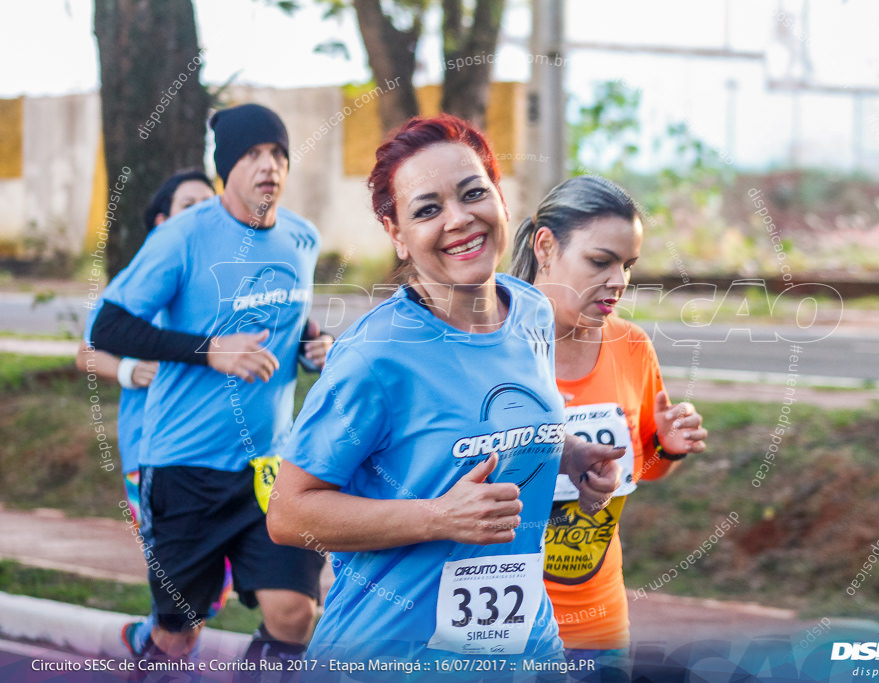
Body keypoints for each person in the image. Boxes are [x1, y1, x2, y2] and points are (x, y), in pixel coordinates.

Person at [267, 114, 624, 679]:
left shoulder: (530, 311)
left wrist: (569, 451)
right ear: (396, 234)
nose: (459, 220)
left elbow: (497, 418)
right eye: (427, 209)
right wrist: (438, 517)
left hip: (523, 650)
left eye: (473, 193)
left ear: (501, 200)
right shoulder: (375, 356)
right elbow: (289, 513)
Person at [86, 104, 329, 673]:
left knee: (294, 615)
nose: (268, 166)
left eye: (277, 154)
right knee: (178, 637)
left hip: (270, 469)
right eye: (251, 155)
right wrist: (209, 349)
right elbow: (109, 327)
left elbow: (289, 325)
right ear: (226, 168)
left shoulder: (302, 239)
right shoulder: (183, 238)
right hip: (184, 468)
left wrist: (317, 347)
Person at [510, 175, 708, 682]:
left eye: (627, 265)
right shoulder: (492, 347)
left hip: (598, 621)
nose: (618, 281)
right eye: (601, 262)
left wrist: (667, 448)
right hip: (499, 624)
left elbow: (638, 469)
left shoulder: (632, 346)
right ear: (546, 246)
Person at [77, 169, 223, 656]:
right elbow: (86, 350)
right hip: (152, 447)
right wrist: (129, 370)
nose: (203, 214)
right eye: (190, 206)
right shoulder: (142, 280)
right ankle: (157, 643)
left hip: (218, 451)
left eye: (210, 204)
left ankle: (159, 643)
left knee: (213, 582)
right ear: (163, 222)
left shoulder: (221, 281)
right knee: (180, 573)